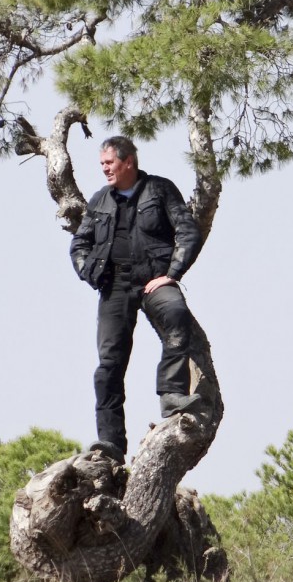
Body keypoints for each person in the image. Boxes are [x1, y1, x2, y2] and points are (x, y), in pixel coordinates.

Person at [70, 136, 203, 464]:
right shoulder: (100, 199)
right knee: (108, 367)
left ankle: (172, 395)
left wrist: (172, 273)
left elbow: (187, 231)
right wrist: (90, 272)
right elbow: (79, 243)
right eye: (101, 164)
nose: (104, 169)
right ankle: (110, 443)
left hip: (153, 281)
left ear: (128, 161)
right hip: (114, 287)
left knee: (176, 314)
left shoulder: (160, 190)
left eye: (109, 163)